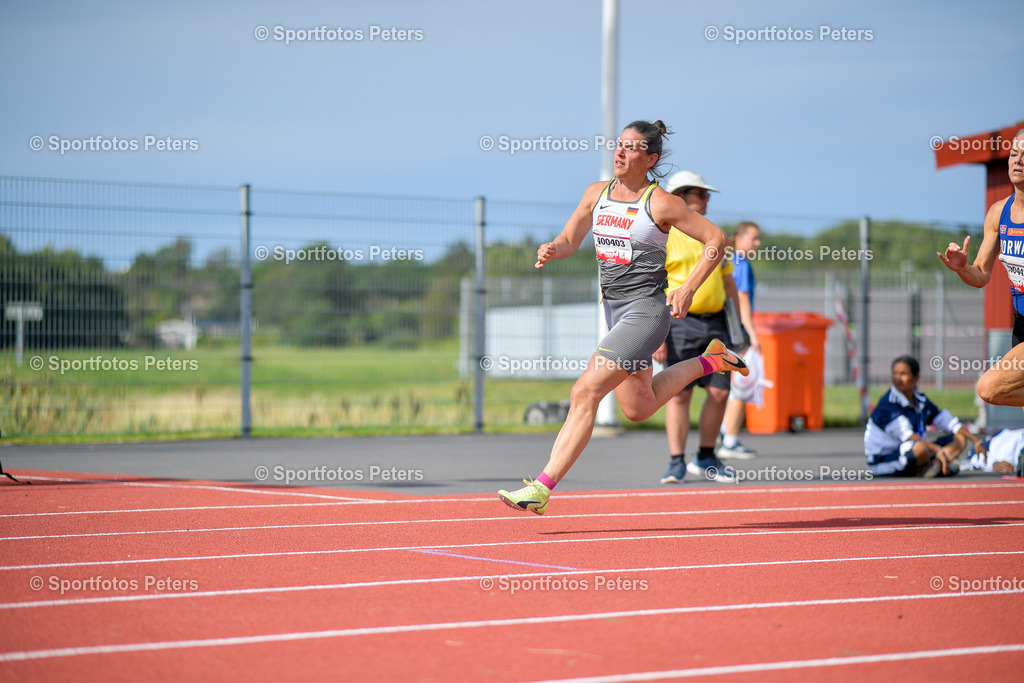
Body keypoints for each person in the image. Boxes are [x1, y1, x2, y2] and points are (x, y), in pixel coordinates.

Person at [498, 121, 748, 515]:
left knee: (585, 391)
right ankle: (711, 360)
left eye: (631, 148)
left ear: (649, 159)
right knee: (638, 407)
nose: (620, 153)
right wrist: (552, 248)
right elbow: (569, 241)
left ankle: (542, 487)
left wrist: (688, 288)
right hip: (614, 310)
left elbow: (717, 240)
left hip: (646, 312)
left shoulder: (661, 202)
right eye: (619, 145)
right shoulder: (595, 195)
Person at [654, 171, 742, 484]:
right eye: (702, 194)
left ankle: (706, 456)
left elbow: (729, 282)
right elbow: (654, 285)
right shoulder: (663, 234)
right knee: (679, 395)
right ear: (681, 196)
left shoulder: (714, 234)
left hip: (716, 322)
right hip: (678, 323)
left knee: (719, 393)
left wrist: (738, 326)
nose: (707, 200)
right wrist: (657, 333)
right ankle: (676, 461)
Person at [939, 129, 1024, 407]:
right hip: (1020, 325)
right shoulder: (999, 212)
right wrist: (962, 268)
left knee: (989, 388)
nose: (1017, 161)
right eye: (1014, 154)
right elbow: (981, 275)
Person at [864, 356, 985, 477]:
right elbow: (909, 436)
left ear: (916, 377)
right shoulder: (887, 404)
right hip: (883, 461)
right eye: (894, 373)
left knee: (959, 439)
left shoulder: (920, 399)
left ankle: (934, 465)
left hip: (914, 451)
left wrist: (976, 441)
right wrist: (938, 450)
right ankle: (932, 465)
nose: (897, 378)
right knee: (919, 448)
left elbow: (948, 422)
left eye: (903, 374)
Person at [720, 221, 763, 459]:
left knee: (727, 385)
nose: (758, 244)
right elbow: (743, 300)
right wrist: (752, 336)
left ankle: (725, 431)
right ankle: (730, 439)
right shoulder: (741, 264)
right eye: (754, 239)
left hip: (727, 329)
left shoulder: (729, 260)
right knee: (742, 384)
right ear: (740, 238)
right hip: (738, 331)